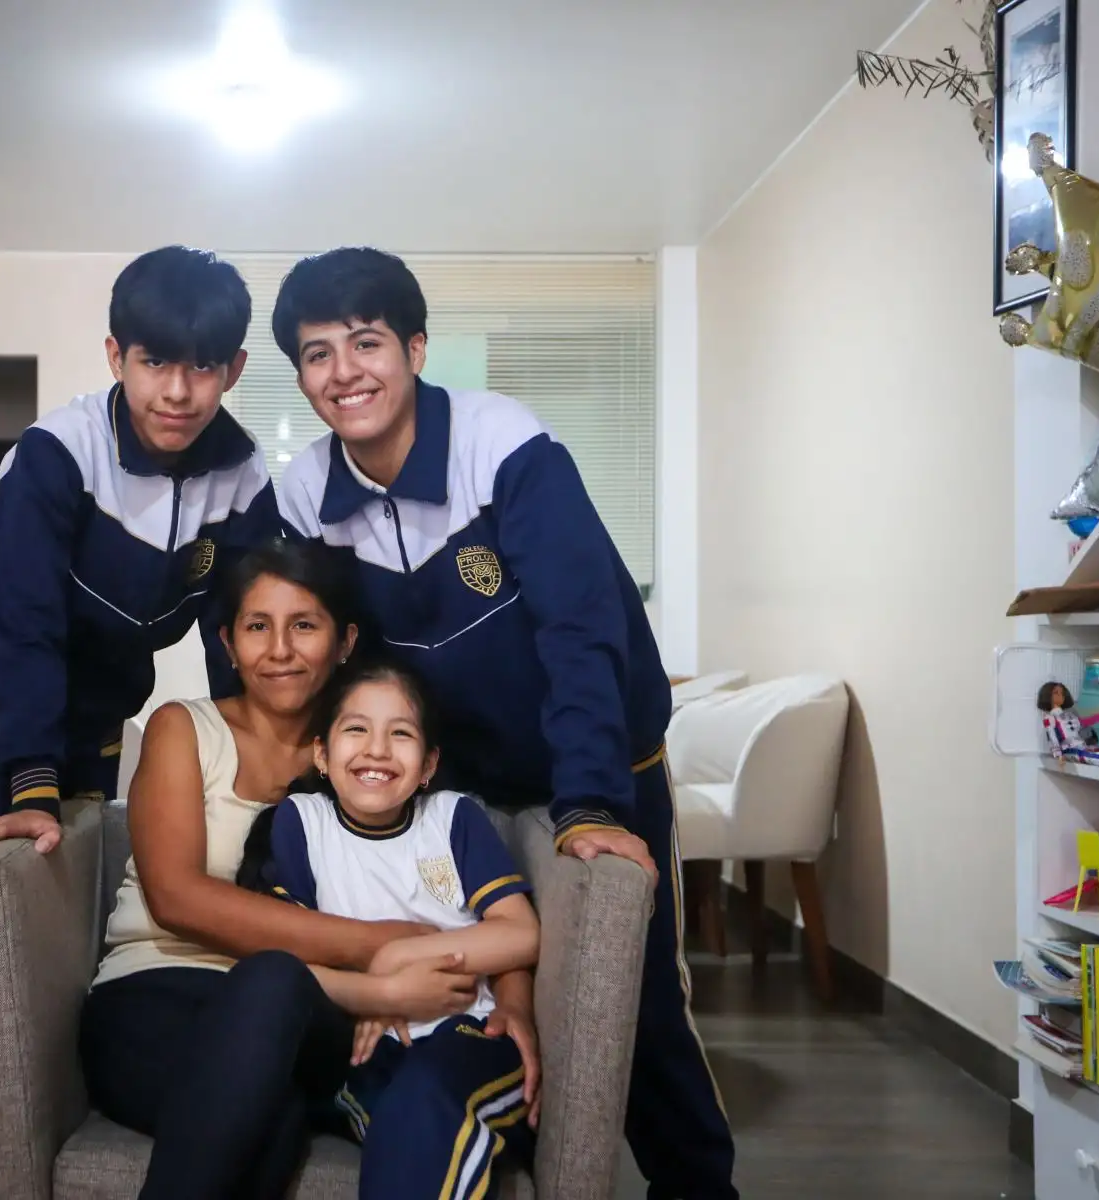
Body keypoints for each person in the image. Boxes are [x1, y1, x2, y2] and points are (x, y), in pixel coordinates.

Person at [270, 246, 738, 1199]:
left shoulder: (504, 444)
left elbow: (581, 628)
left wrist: (591, 802)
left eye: (366, 343)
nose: (344, 372)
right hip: (457, 781)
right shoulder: (303, 494)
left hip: (596, 764)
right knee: (469, 990)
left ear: (416, 348)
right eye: (318, 354)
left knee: (634, 999)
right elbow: (306, 649)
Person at [0, 245, 277, 1193]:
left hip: (100, 707)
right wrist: (31, 784)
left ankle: (65, 1125)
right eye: (155, 362)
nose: (178, 391)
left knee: (77, 935)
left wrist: (258, 757)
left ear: (235, 369)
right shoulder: (55, 456)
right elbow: (23, 626)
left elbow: (241, 630)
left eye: (203, 366)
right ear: (117, 355)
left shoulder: (242, 474)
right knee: (4, 938)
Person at [79, 538, 538, 1200]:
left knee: (281, 1041)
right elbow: (176, 898)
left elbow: (473, 893)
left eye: (303, 626)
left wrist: (513, 1001)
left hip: (315, 1018)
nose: (280, 650)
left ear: (344, 641)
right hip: (158, 997)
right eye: (257, 627)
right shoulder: (185, 729)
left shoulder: (367, 752)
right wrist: (381, 949)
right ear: (228, 643)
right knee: (273, 1119)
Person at [236, 658, 539, 1200]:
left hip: (470, 1033)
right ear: (322, 753)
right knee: (403, 1115)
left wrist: (398, 958)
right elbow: (284, 967)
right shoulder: (301, 823)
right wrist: (376, 990)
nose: (377, 749)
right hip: (366, 1050)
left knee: (427, 1095)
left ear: (428, 764)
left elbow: (520, 933)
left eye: (400, 734)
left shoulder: (452, 818)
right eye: (356, 729)